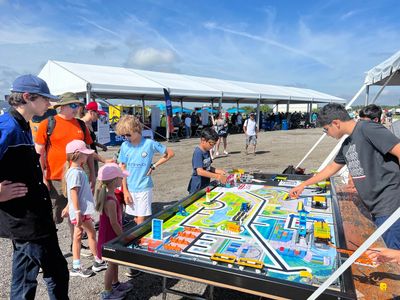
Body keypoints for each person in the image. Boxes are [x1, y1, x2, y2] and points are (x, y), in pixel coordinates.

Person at [289, 103, 400, 249]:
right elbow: (331, 168)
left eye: (326, 129)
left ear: (336, 123)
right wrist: (303, 184)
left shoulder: (367, 128)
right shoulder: (347, 143)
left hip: (390, 205)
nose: (327, 134)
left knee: (392, 257)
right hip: (375, 207)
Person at [0, 74, 69, 299]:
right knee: (57, 273)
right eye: (45, 99)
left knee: (25, 277)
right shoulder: (7, 126)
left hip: (32, 216)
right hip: (26, 220)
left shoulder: (23, 125)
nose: (50, 104)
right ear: (28, 97)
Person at [116, 115, 174, 225]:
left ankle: (138, 240)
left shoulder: (149, 143)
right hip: (130, 187)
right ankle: (140, 237)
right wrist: (125, 191)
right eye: (124, 135)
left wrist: (154, 165)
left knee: (140, 220)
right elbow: (122, 169)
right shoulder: (124, 145)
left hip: (144, 187)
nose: (126, 137)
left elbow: (170, 153)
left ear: (137, 129)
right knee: (136, 218)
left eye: (128, 134)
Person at [63, 140, 107, 278]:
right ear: (77, 154)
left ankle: (77, 265)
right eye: (85, 154)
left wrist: (68, 208)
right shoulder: (75, 172)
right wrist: (77, 212)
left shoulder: (76, 170)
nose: (87, 156)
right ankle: (98, 260)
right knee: (92, 234)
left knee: (78, 237)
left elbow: (73, 194)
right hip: (81, 212)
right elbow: (74, 192)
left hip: (79, 212)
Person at [95, 163, 133, 300]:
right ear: (113, 181)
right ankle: (107, 292)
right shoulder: (110, 201)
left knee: (114, 261)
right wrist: (123, 236)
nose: (122, 180)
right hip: (110, 238)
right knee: (111, 264)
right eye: (120, 178)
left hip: (111, 236)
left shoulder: (110, 196)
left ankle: (115, 284)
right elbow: (114, 222)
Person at [187, 128, 228, 194]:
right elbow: (200, 171)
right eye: (211, 144)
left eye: (214, 144)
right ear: (203, 140)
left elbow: (208, 167)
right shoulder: (198, 152)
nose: (212, 146)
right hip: (197, 187)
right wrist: (217, 176)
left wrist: (218, 171)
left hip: (205, 185)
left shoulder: (207, 150)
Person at [81, 101, 109, 174]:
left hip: (93, 157)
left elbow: (90, 141)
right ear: (91, 112)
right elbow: (85, 148)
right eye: (98, 114)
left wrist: (100, 145)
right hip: (86, 160)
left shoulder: (90, 124)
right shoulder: (81, 125)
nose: (99, 116)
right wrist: (104, 160)